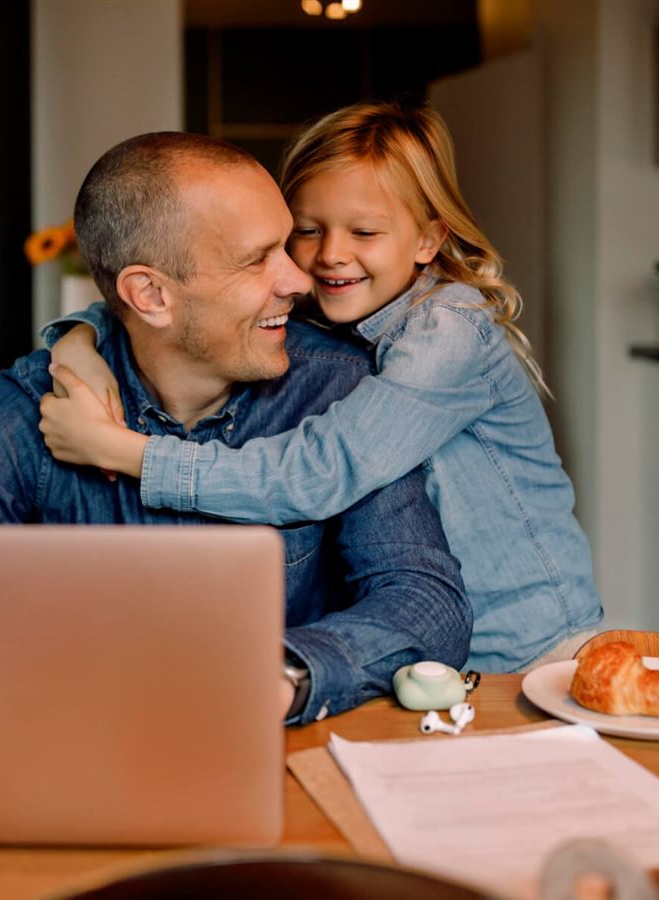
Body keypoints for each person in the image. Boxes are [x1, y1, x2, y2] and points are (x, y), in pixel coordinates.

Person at [0, 131, 472, 725]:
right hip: (76, 736)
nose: (299, 281)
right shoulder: (41, 400)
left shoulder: (336, 387)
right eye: (256, 260)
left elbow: (426, 603)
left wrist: (280, 676)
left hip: (272, 747)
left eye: (284, 245)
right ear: (150, 295)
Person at [38, 102, 603, 674]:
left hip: (533, 652)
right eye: (307, 231)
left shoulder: (449, 334)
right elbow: (171, 302)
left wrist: (126, 453)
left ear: (428, 240)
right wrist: (78, 339)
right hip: (436, 663)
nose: (331, 253)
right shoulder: (338, 302)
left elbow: (316, 474)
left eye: (365, 231)